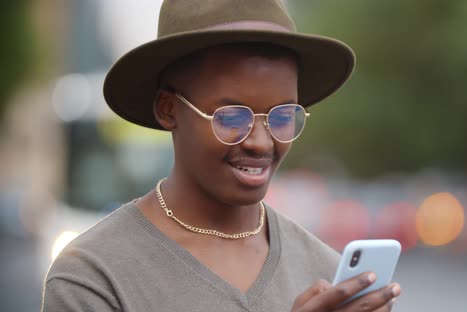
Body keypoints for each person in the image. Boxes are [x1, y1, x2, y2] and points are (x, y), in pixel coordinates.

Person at [42, 0, 402, 311]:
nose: (261, 143)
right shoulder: (94, 275)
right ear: (168, 109)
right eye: (231, 117)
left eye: (282, 116)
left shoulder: (328, 274)